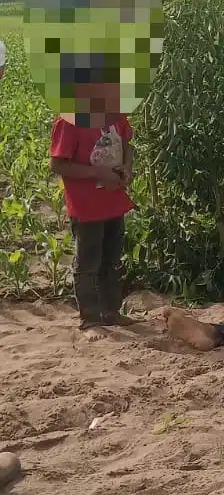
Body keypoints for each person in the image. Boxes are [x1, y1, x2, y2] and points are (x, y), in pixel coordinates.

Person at [49, 78, 134, 329]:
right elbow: (58, 164)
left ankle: (111, 312)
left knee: (111, 259)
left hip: (113, 199)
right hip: (86, 205)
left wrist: (126, 167)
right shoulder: (69, 121)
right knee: (87, 263)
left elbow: (128, 145)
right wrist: (98, 173)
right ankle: (90, 319)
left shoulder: (115, 114)